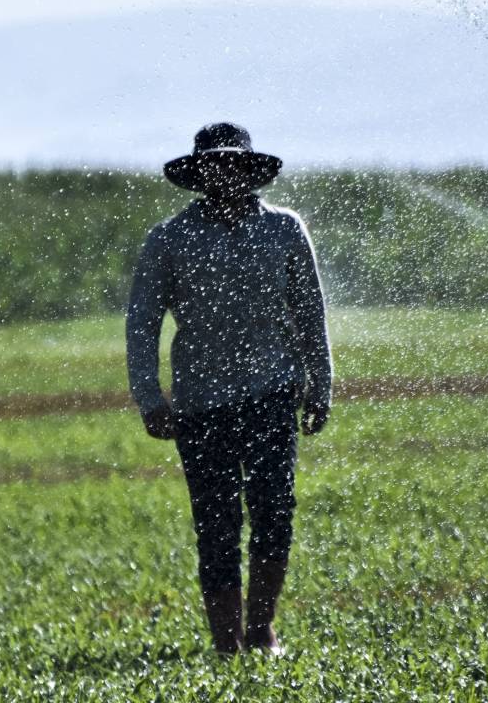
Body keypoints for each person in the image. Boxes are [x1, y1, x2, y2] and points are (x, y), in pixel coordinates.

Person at [125, 122, 333, 656]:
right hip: (199, 404)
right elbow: (142, 324)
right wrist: (150, 397)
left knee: (275, 511)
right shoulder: (169, 239)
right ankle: (226, 642)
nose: (224, 174)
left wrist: (321, 384)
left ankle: (261, 630)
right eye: (213, 166)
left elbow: (311, 313)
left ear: (247, 169)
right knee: (216, 525)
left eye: (232, 164)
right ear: (199, 175)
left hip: (271, 394)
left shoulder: (285, 230)